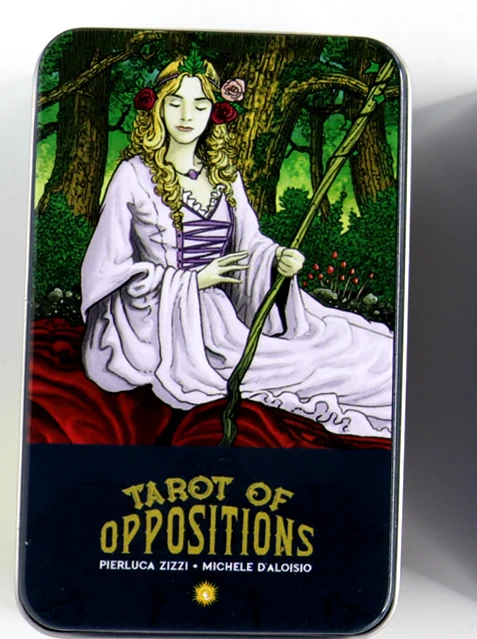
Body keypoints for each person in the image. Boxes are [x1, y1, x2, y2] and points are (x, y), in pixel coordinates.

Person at [81, 54, 394, 439]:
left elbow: (249, 244)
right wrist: (192, 282)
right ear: (157, 108)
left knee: (354, 351)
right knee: (291, 372)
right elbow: (108, 268)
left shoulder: (225, 175)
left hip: (224, 313)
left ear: (215, 112)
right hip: (166, 322)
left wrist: (276, 259)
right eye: (175, 102)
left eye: (200, 104)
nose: (187, 115)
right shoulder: (132, 176)